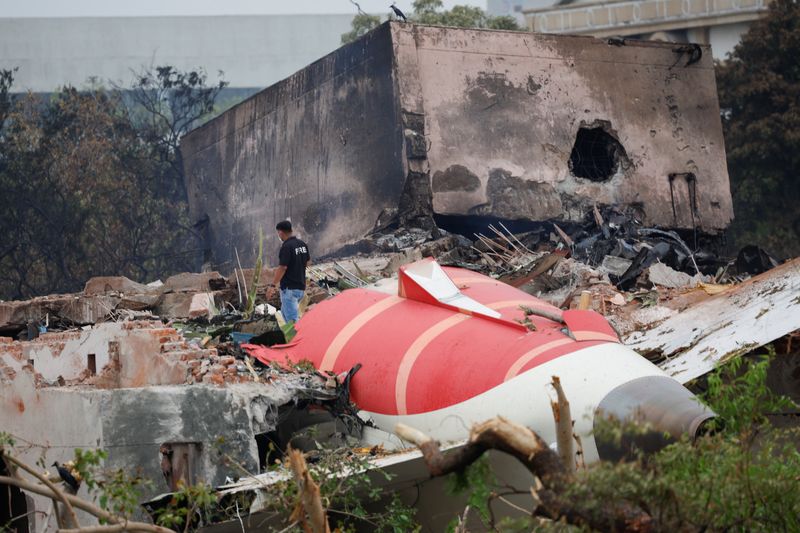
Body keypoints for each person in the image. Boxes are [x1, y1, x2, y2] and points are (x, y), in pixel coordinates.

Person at [267, 220, 310, 323]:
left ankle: (298, 334)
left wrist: (273, 286)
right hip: (300, 288)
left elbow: (283, 267)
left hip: (290, 290)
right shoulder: (302, 244)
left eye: (278, 233)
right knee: (285, 315)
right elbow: (308, 262)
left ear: (281, 232)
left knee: (292, 323)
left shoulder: (286, 246)